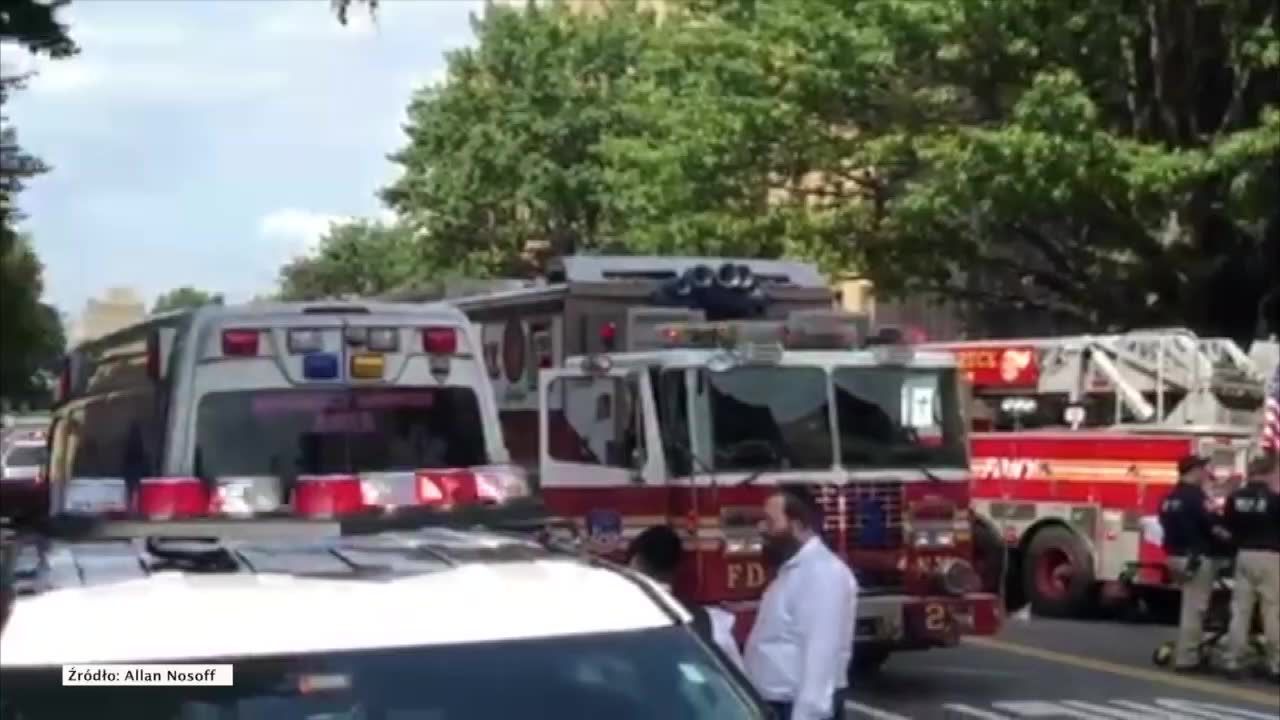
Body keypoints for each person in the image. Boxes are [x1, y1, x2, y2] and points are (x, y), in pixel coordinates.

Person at [743, 487, 857, 720]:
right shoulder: (793, 570)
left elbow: (820, 652)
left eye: (770, 522)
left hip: (796, 707)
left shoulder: (822, 574)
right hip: (779, 703)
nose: (762, 529)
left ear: (796, 526)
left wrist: (807, 714)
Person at [626, 524, 746, 671]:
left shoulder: (613, 619)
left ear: (635, 562)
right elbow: (736, 679)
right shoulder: (712, 623)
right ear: (677, 568)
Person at [1158, 454, 1223, 672]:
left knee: (1188, 606)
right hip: (1194, 559)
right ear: (1194, 471)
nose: (1206, 473)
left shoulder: (1169, 498)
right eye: (1203, 469)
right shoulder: (1196, 498)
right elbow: (1212, 525)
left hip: (1174, 557)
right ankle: (1187, 659)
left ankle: (1186, 652)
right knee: (1195, 611)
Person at [1221, 454, 1280, 682]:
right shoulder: (1274, 500)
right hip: (1270, 556)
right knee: (1272, 611)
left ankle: (1233, 659)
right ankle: (1276, 663)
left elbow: (1228, 527)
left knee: (1240, 611)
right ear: (1270, 473)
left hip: (1244, 554)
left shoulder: (1235, 498)